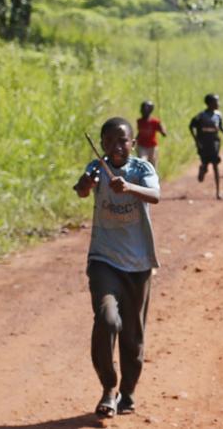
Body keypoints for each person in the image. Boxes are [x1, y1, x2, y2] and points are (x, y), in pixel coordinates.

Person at [73, 117, 161, 419]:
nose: (116, 146)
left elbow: (155, 196)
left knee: (133, 337)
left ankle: (128, 392)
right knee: (108, 319)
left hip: (138, 265)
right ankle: (108, 387)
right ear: (102, 144)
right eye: (109, 141)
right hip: (103, 260)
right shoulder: (96, 168)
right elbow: (83, 189)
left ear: (132, 143)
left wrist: (129, 187)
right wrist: (85, 184)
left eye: (122, 140)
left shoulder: (141, 169)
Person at [189, 94, 223, 200]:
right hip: (204, 143)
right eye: (216, 102)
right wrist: (196, 140)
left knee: (215, 165)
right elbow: (191, 126)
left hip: (214, 143)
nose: (218, 104)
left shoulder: (218, 115)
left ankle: (218, 192)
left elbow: (221, 127)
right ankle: (203, 168)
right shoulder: (201, 116)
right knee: (205, 162)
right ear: (209, 104)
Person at [135, 101, 167, 168]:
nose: (142, 111)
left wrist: (163, 130)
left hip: (152, 146)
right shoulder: (139, 121)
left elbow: (162, 131)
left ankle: (153, 177)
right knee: (142, 162)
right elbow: (140, 132)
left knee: (152, 164)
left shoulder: (155, 122)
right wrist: (135, 140)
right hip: (142, 146)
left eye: (144, 109)